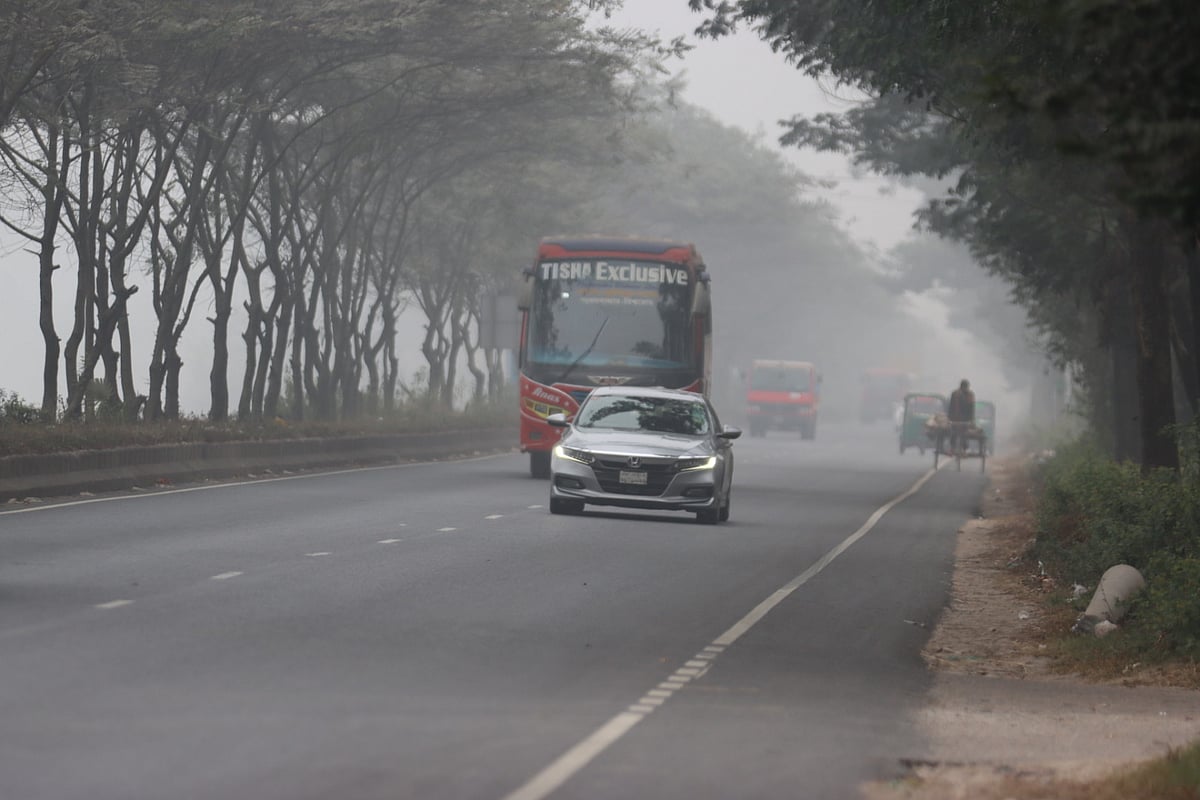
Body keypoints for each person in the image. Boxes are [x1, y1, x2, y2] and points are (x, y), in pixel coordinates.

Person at [946, 379, 976, 453]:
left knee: (964, 434)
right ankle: (953, 448)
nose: (966, 388)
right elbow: (951, 406)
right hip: (956, 418)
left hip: (965, 419)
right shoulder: (955, 394)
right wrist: (949, 418)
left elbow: (971, 408)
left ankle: (963, 449)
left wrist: (971, 420)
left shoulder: (970, 395)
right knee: (954, 432)